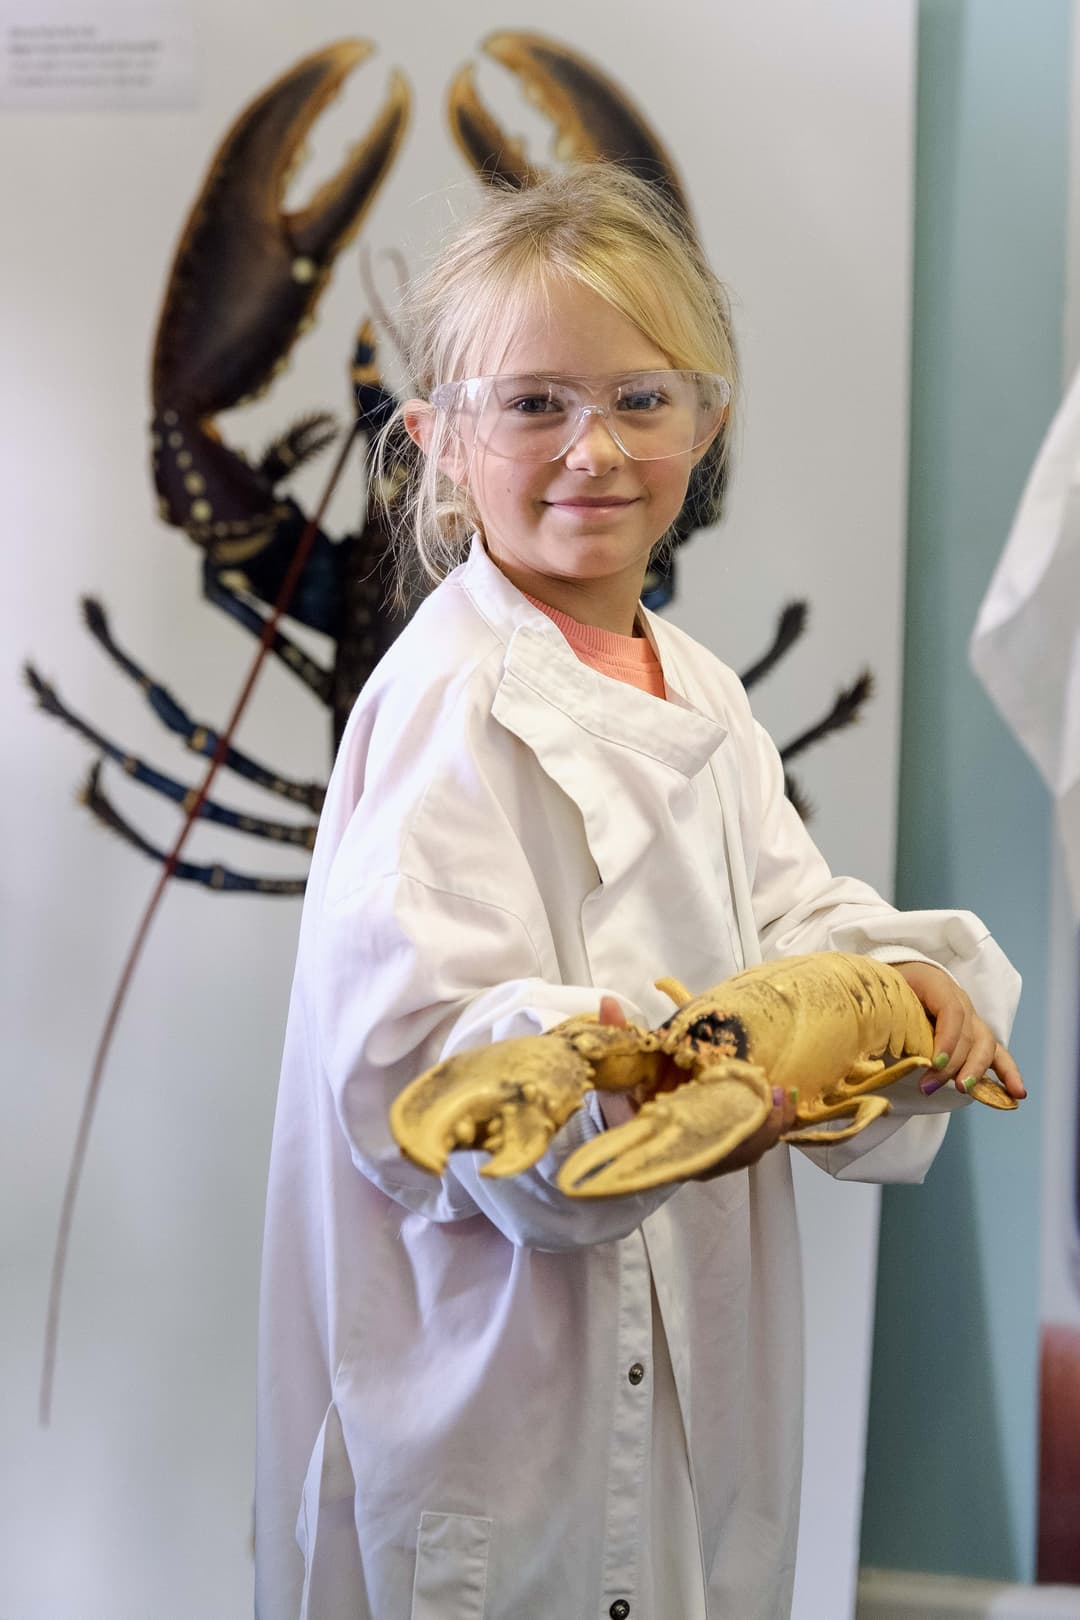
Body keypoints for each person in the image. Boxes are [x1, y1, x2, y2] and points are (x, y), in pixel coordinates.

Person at [255, 166, 1024, 1620]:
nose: (593, 450)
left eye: (642, 400)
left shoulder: (706, 691)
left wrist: (897, 990)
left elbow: (791, 919)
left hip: (689, 1393)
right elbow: (409, 1065)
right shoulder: (447, 704)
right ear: (436, 442)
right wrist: (625, 1084)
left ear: (707, 422)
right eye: (534, 403)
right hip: (503, 1413)